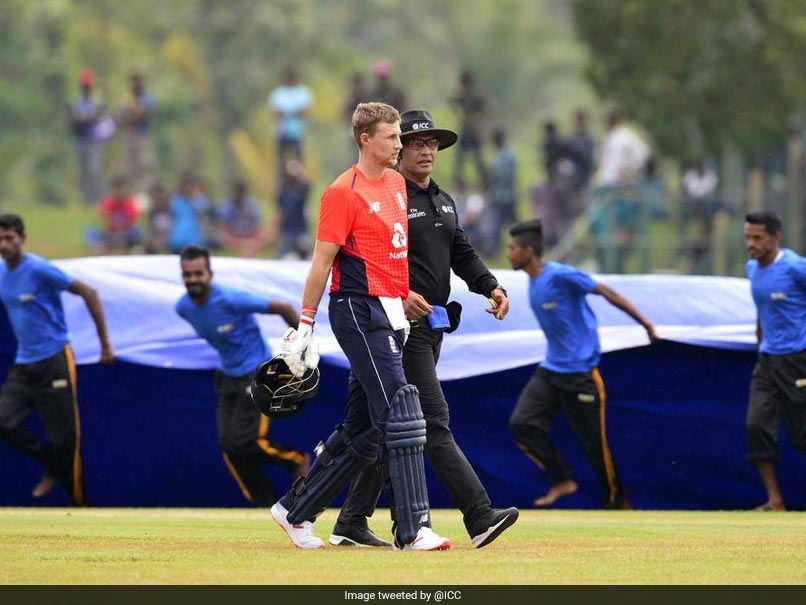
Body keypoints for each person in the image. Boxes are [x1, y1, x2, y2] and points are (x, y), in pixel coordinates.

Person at [332, 109, 518, 549]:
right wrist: (400, 295)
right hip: (394, 326)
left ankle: (348, 520)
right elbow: (369, 258)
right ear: (398, 149)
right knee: (430, 420)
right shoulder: (388, 200)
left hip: (429, 327)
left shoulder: (444, 201)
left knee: (379, 426)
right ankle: (479, 514)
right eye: (416, 143)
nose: (426, 150)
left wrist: (490, 286)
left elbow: (462, 252)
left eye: (432, 144)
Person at [270, 102, 451, 551]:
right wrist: (305, 323)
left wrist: (403, 292)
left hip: (391, 310)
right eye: (392, 137)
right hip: (354, 309)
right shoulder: (342, 192)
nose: (400, 144)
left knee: (365, 427)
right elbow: (322, 262)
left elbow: (389, 252)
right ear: (366, 140)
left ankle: (295, 511)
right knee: (401, 407)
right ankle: (413, 529)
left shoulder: (395, 183)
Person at [506, 219, 657, 509]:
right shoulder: (533, 281)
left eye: (512, 248)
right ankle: (562, 479)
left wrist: (645, 323)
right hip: (551, 370)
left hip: (581, 373)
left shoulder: (561, 275)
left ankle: (618, 502)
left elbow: (606, 292)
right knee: (522, 424)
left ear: (528, 251)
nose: (509, 253)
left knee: (593, 444)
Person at [175, 245, 309, 507]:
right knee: (229, 447)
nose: (193, 280)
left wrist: (304, 346)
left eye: (198, 274)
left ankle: (296, 459)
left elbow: (282, 307)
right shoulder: (183, 307)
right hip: (226, 376)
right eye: (187, 275)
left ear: (210, 275)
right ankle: (266, 504)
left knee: (245, 441)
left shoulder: (230, 298)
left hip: (256, 373)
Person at [0, 214, 114, 505]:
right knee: (3, 421)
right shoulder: (2, 273)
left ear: (22, 239)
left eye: (10, 238)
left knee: (66, 439)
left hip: (54, 359)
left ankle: (82, 505)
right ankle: (49, 461)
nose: (4, 244)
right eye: (0, 239)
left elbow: (89, 293)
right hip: (25, 364)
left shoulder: (39, 269)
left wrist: (105, 345)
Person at [743, 211, 806, 511]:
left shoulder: (795, 268)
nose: (750, 244)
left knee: (801, 435)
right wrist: (760, 342)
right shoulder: (752, 269)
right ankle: (775, 501)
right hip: (767, 359)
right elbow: (762, 308)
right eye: (747, 237)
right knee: (757, 425)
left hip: (798, 360)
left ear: (775, 238)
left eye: (757, 237)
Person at [68, 69, 107, 205]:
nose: (86, 87)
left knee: (95, 170)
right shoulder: (76, 101)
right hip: (80, 139)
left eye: (88, 85)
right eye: (84, 85)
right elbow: (72, 119)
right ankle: (85, 200)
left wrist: (83, 119)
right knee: (82, 171)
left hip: (94, 140)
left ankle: (99, 199)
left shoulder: (97, 101)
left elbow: (98, 118)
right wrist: (84, 119)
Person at [118, 72, 156, 195]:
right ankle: (129, 194)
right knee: (129, 166)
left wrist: (132, 115)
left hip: (142, 135)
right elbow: (122, 117)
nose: (137, 84)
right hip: (128, 135)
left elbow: (146, 115)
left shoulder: (147, 97)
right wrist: (133, 115)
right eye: (134, 81)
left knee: (144, 164)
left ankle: (143, 193)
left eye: (139, 81)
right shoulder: (127, 98)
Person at [450, 70, 488, 188]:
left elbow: (451, 103)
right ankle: (484, 182)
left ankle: (459, 182)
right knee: (477, 159)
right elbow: (486, 110)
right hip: (474, 132)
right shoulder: (478, 94)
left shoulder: (462, 95)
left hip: (466, 131)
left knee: (460, 160)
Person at [268, 67, 313, 164]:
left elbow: (304, 112)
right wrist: (294, 112)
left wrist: (285, 112)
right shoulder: (278, 93)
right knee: (282, 161)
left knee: (298, 161)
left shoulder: (302, 92)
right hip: (282, 132)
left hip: (297, 132)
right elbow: (275, 112)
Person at [218, 181, 268, 258]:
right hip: (234, 236)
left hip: (250, 235)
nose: (239, 194)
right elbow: (223, 223)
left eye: (241, 191)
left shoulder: (251, 204)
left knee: (260, 238)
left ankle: (249, 252)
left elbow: (258, 222)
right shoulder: (228, 205)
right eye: (237, 191)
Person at [276, 159, 311, 260]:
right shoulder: (284, 191)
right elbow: (280, 210)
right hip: (287, 229)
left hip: (301, 229)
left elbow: (307, 185)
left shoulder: (302, 189)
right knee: (283, 256)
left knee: (305, 256)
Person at [97, 175, 141, 254]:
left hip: (127, 235)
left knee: (137, 248)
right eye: (117, 189)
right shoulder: (108, 203)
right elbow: (106, 221)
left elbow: (132, 222)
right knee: (99, 245)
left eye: (122, 190)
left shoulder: (131, 203)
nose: (120, 192)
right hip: (112, 233)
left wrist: (122, 232)